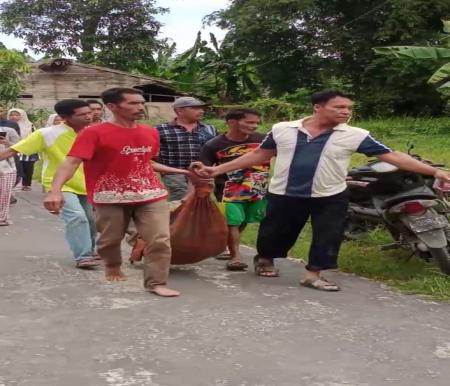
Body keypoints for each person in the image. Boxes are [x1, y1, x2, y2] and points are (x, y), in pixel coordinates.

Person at [192, 90, 450, 292]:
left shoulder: (355, 134)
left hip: (330, 194)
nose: (346, 112)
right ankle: (266, 258)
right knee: (275, 231)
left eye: (348, 108)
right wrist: (215, 170)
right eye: (339, 107)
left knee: (329, 234)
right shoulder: (283, 129)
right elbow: (260, 154)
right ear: (318, 107)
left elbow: (391, 155)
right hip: (285, 192)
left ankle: (313, 274)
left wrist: (434, 171)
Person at [44, 88, 203, 297]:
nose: (140, 107)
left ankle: (156, 282)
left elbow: (146, 162)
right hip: (109, 196)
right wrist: (55, 191)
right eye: (133, 103)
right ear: (112, 107)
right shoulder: (93, 133)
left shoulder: (150, 132)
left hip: (150, 194)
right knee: (110, 240)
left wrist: (182, 171)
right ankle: (112, 264)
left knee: (160, 239)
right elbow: (71, 161)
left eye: (141, 102)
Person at [0, 100, 99, 268]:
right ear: (64, 117)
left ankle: (90, 250)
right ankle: (84, 255)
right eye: (82, 114)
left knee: (90, 220)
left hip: (86, 183)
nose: (89, 116)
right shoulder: (46, 134)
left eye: (89, 112)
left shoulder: (95, 133)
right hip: (58, 183)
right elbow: (12, 151)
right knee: (77, 216)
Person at [200, 109, 269, 271]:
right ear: (232, 122)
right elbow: (205, 168)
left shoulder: (263, 140)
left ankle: (225, 245)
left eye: (256, 123)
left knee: (243, 221)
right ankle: (236, 257)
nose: (255, 126)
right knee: (232, 222)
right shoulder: (213, 145)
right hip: (228, 191)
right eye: (250, 122)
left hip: (259, 189)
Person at [156, 96, 217, 201]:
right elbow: (154, 153)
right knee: (180, 201)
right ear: (179, 110)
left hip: (202, 173)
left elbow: (217, 151)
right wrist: (165, 171)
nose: (201, 111)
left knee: (202, 201)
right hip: (175, 174)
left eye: (202, 108)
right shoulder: (160, 129)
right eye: (195, 108)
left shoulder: (209, 129)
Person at [7, 108, 39, 191]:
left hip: (27, 149)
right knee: (16, 167)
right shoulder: (7, 125)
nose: (14, 117)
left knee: (28, 168)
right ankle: (14, 184)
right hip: (12, 148)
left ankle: (26, 184)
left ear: (22, 116)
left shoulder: (29, 125)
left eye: (17, 115)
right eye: (11, 115)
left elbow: (35, 137)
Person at [0, 125, 20, 225]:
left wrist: (7, 143)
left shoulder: (8, 131)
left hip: (6, 168)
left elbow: (20, 147)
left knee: (4, 194)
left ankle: (2, 218)